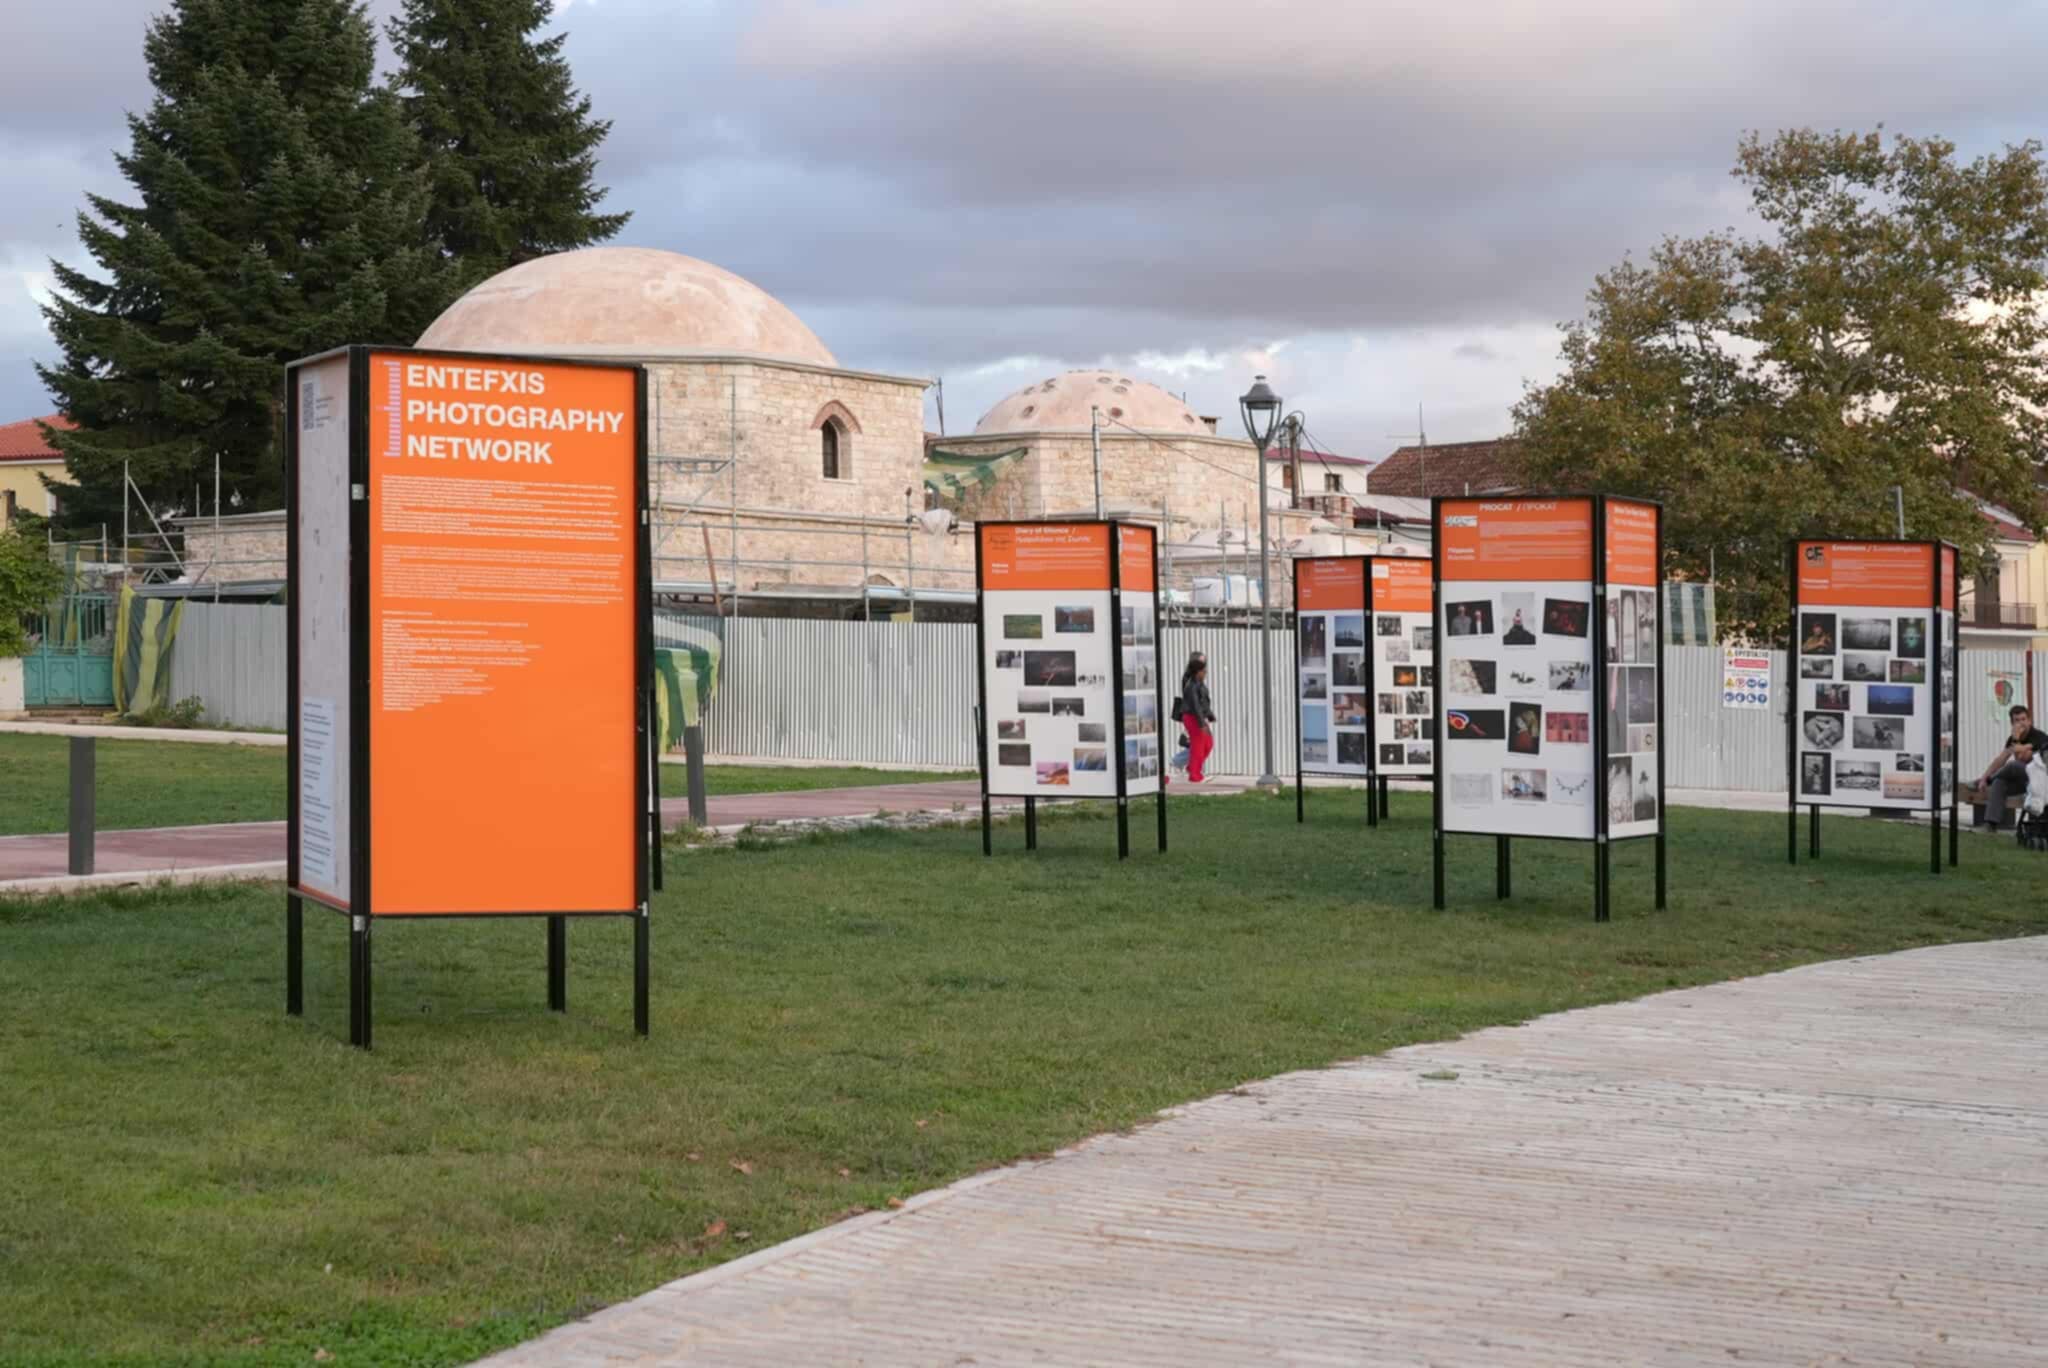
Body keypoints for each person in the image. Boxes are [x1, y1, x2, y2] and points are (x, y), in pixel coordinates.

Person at [1975, 704, 2048, 831]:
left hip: (2041, 780)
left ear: (2029, 720)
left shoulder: (2038, 736)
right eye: (2017, 720)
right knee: (2000, 781)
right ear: (2012, 723)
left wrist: (2016, 739)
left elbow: (2022, 758)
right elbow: (2000, 760)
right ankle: (1991, 824)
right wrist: (1983, 777)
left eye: (2023, 719)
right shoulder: (2012, 739)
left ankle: (1989, 780)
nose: (2021, 723)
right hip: (2026, 782)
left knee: (2013, 765)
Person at [1174, 653, 1216, 783]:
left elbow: (1203, 702)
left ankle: (1192, 768)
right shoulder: (1191, 685)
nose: (1206, 673)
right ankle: (1195, 776)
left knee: (1208, 743)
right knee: (1198, 746)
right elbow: (1196, 705)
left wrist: (1210, 714)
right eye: (1204, 671)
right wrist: (1201, 723)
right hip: (1193, 718)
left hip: (1199, 717)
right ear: (1197, 672)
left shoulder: (1199, 683)